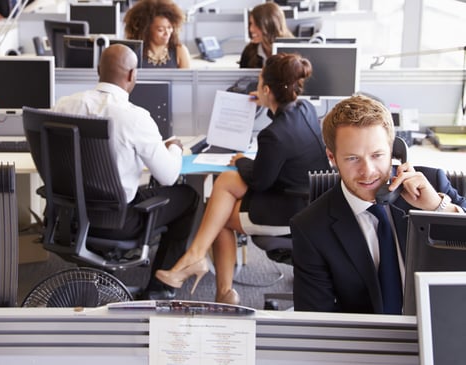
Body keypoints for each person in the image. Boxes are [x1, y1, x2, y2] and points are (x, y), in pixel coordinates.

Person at [156, 53, 330, 305]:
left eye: (259, 83)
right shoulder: (305, 110)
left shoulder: (274, 135)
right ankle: (202, 266)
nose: (256, 88)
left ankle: (218, 286)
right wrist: (262, 103)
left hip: (288, 211)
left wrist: (241, 160)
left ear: (267, 89)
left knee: (219, 217)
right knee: (225, 183)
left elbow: (260, 181)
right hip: (307, 199)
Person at [291, 95, 466, 314]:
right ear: (332, 157)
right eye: (353, 158)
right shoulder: (310, 228)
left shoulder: (432, 185)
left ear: (395, 151)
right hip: (369, 339)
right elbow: (316, 320)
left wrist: (439, 209)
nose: (368, 171)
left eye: (377, 155)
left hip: (447, 323)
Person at [52, 44, 200, 300]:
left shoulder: (63, 106)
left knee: (137, 190)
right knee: (188, 195)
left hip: (70, 218)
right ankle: (159, 287)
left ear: (98, 70)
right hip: (117, 224)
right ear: (132, 75)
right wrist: (174, 149)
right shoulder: (135, 117)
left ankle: (91, 273)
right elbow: (168, 177)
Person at [123, 0, 191, 69]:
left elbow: (188, 79)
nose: (167, 33)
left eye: (170, 27)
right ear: (146, 30)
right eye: (160, 30)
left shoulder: (180, 51)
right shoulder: (133, 52)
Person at [239, 2, 294, 69]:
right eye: (251, 23)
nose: (251, 29)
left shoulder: (291, 52)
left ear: (269, 26)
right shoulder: (249, 51)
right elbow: (243, 78)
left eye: (256, 25)